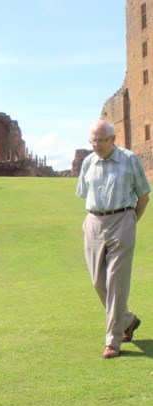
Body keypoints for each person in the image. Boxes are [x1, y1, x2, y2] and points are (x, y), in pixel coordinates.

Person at [76, 119, 150, 359]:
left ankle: (113, 340)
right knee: (99, 282)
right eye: (92, 140)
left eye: (100, 140)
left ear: (113, 139)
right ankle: (128, 320)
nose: (96, 145)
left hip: (123, 219)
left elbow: (144, 195)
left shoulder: (129, 160)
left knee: (116, 282)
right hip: (95, 222)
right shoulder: (88, 162)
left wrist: (130, 221)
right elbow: (85, 194)